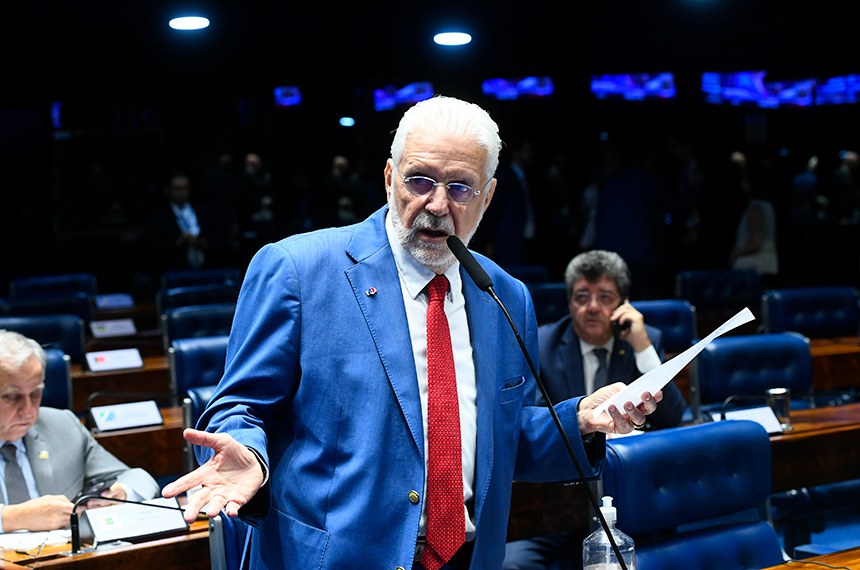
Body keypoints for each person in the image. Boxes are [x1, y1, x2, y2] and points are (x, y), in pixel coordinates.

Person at [161, 95, 664, 569]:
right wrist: (249, 453)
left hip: (469, 557)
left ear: (488, 196)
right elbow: (239, 407)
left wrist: (581, 420)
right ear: (389, 178)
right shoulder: (297, 270)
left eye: (461, 187)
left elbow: (502, 440)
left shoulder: (506, 296)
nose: (438, 204)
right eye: (420, 180)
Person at [503, 249, 688, 569]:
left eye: (605, 297)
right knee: (513, 564)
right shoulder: (544, 345)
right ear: (569, 302)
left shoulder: (641, 341)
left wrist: (643, 348)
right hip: (559, 503)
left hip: (630, 498)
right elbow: (531, 423)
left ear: (622, 304)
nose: (592, 307)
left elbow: (673, 416)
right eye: (581, 297)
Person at [0, 329, 160, 532]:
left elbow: (136, 478)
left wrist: (121, 494)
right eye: (12, 397)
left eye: (35, 394)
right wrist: (12, 518)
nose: (28, 410)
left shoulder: (62, 425)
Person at [149, 170, 213, 272]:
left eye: (185, 188)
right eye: (177, 189)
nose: (182, 193)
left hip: (207, 267)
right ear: (168, 190)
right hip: (175, 269)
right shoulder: (161, 216)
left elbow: (214, 235)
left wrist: (202, 242)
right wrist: (180, 242)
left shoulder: (202, 211)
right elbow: (156, 247)